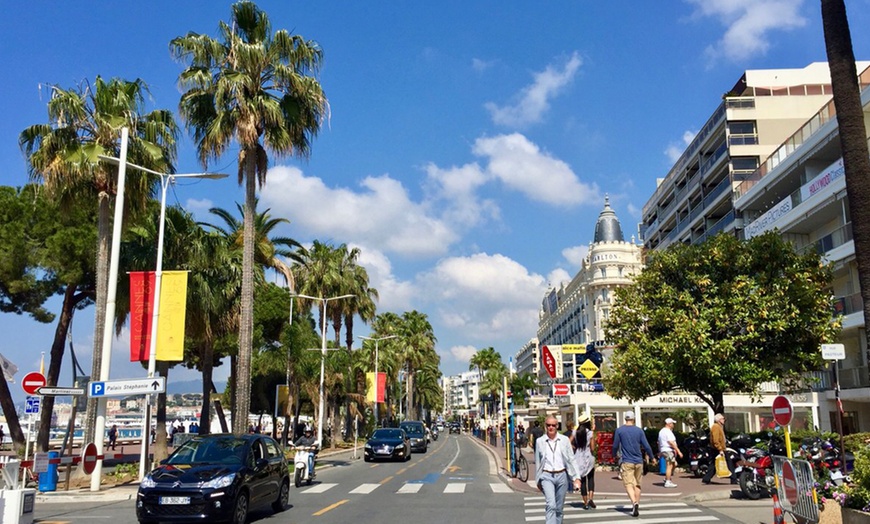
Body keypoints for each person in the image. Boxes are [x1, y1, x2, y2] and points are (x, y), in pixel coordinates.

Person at [534, 415, 581, 524]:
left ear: (557, 426)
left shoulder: (564, 440)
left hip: (562, 475)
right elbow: (538, 462)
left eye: (553, 425)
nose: (551, 427)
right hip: (547, 475)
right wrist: (538, 479)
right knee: (551, 505)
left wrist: (576, 478)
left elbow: (571, 459)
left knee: (559, 508)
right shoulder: (540, 441)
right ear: (545, 426)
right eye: (548, 425)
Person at [612, 410, 655, 518]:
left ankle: (634, 502)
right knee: (637, 483)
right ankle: (637, 504)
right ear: (633, 419)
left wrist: (613, 455)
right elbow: (646, 446)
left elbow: (615, 445)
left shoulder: (619, 430)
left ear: (625, 419)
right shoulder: (639, 431)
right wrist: (652, 457)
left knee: (628, 484)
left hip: (627, 461)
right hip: (639, 461)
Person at [702, 413, 736, 485]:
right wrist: (720, 449)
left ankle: (706, 478)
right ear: (718, 420)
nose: (724, 420)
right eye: (723, 419)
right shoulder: (716, 427)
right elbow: (715, 440)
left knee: (714, 465)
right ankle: (734, 479)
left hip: (719, 448)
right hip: (718, 449)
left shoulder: (719, 427)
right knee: (729, 462)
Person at [572, 414, 597, 510]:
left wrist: (575, 448)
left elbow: (569, 441)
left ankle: (585, 502)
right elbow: (592, 448)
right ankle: (591, 498)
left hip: (578, 458)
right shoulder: (590, 433)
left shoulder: (575, 432)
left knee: (582, 480)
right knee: (591, 478)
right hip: (589, 457)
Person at [658, 418, 683, 488]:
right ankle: (668, 481)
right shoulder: (667, 431)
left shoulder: (661, 431)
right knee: (670, 465)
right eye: (672, 423)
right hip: (668, 449)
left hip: (664, 449)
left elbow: (659, 442)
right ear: (669, 424)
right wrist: (678, 451)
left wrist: (660, 451)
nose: (673, 425)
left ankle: (667, 478)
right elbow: (670, 442)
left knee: (674, 464)